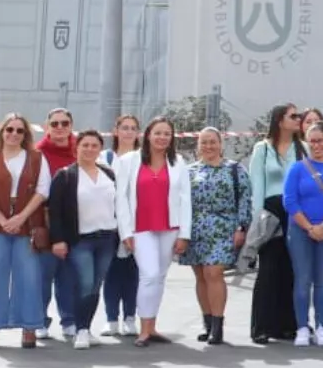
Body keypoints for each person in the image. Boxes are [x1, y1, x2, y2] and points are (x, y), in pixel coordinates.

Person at [113, 117, 191, 348]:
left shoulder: (178, 162)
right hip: (139, 228)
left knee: (159, 278)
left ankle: (152, 326)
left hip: (170, 227)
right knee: (149, 274)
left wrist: (184, 234)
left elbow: (185, 199)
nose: (162, 138)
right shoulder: (128, 160)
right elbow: (121, 199)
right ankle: (144, 329)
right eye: (158, 133)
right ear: (147, 135)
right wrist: (125, 232)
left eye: (167, 134)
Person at [0, 114, 49, 350]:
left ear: (26, 135)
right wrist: (3, 220)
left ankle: (29, 328)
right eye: (10, 129)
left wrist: (20, 217)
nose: (14, 134)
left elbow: (42, 190)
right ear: (1, 132)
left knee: (28, 277)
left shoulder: (37, 159)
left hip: (26, 224)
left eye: (19, 131)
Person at [46, 130, 117, 349]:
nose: (89, 149)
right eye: (85, 145)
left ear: (100, 149)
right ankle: (81, 330)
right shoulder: (65, 175)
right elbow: (54, 211)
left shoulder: (109, 174)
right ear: (76, 148)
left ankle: (85, 326)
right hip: (81, 241)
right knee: (84, 283)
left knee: (96, 285)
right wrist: (57, 240)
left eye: (94, 145)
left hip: (106, 238)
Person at [180, 126, 250, 346]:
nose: (208, 146)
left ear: (221, 144)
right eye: (204, 142)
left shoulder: (235, 170)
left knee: (214, 272)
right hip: (196, 229)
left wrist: (241, 227)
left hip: (224, 227)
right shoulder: (189, 171)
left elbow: (246, 198)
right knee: (201, 275)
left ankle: (218, 325)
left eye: (212, 141)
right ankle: (207, 322)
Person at [282, 120, 323, 347]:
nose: (316, 145)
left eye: (320, 140)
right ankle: (302, 326)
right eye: (311, 141)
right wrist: (310, 227)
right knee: (302, 280)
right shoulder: (297, 168)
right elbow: (289, 201)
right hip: (300, 231)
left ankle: (321, 326)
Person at [247, 104, 305, 344]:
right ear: (280, 120)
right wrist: (257, 219)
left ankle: (287, 325)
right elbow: (256, 185)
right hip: (270, 212)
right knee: (268, 268)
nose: (298, 119)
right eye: (293, 116)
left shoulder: (303, 149)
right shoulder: (262, 149)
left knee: (291, 269)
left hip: (296, 212)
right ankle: (262, 326)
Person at [32, 109, 79, 341]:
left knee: (69, 275)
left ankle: (69, 320)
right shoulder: (37, 154)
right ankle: (40, 321)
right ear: (46, 126)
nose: (60, 127)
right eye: (55, 123)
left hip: (75, 222)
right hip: (46, 220)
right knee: (43, 275)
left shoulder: (82, 149)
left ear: (71, 126)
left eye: (65, 123)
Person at [98, 114, 141, 337]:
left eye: (133, 128)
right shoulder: (105, 157)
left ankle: (131, 318)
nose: (128, 132)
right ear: (116, 130)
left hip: (138, 224)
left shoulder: (143, 158)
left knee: (132, 272)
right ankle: (111, 318)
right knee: (112, 272)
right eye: (124, 127)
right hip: (110, 224)